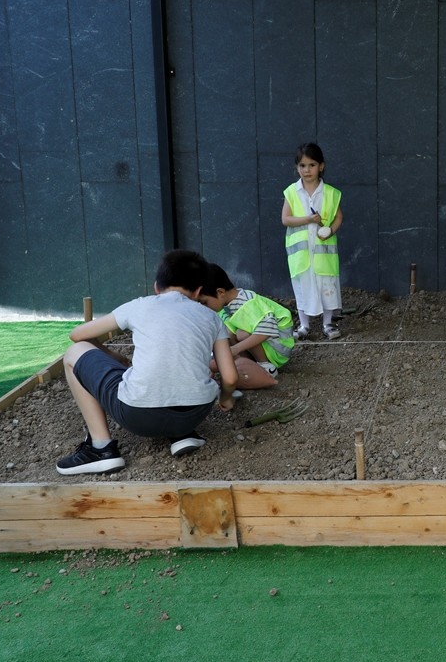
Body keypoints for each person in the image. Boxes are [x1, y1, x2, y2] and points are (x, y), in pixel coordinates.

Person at [56, 250, 238, 475]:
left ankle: (100, 448)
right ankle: (181, 434)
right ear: (198, 291)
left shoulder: (139, 305)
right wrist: (226, 399)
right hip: (194, 414)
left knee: (74, 353)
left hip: (138, 416)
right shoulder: (212, 317)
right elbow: (230, 377)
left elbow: (77, 335)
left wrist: (112, 356)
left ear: (156, 287)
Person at [282, 142, 344, 340]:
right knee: (303, 287)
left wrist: (330, 230)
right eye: (302, 166)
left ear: (321, 166)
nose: (307, 170)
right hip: (301, 256)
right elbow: (286, 219)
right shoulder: (292, 192)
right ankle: (304, 326)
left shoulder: (331, 193)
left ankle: (328, 324)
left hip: (323, 253)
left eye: (311, 165)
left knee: (327, 287)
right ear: (296, 168)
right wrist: (308, 219)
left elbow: (339, 217)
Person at [199, 263, 295, 385]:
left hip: (278, 349)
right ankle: (248, 364)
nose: (203, 307)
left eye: (204, 302)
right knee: (230, 333)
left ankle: (266, 366)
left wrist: (235, 349)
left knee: (242, 334)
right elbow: (227, 334)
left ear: (220, 292)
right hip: (267, 345)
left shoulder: (247, 304)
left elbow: (266, 330)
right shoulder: (227, 304)